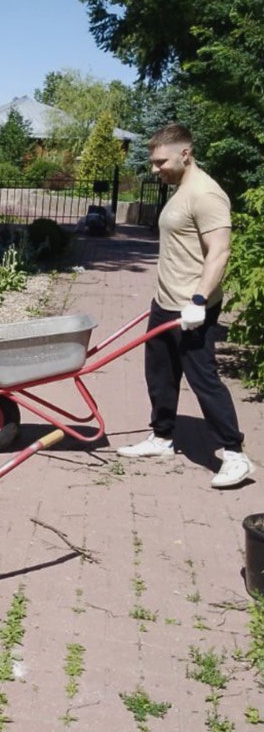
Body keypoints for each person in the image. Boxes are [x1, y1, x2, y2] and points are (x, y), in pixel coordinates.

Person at [118, 123, 254, 488]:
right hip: (165, 302)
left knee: (203, 378)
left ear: (185, 154)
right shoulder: (180, 190)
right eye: (153, 162)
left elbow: (220, 251)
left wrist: (197, 301)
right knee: (160, 374)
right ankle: (162, 438)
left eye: (160, 162)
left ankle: (235, 454)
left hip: (192, 307)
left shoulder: (206, 194)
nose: (155, 169)